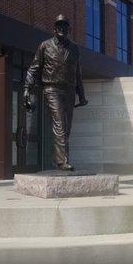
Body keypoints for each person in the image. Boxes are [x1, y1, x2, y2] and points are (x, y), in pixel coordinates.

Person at [23, 14, 88, 171]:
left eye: (65, 26)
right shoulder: (45, 46)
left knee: (67, 126)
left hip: (70, 90)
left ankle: (58, 158)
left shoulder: (74, 48)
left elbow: (77, 72)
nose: (62, 28)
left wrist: (82, 94)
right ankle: (62, 161)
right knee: (59, 123)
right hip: (52, 89)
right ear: (54, 29)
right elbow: (34, 68)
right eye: (59, 26)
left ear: (69, 29)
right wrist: (27, 89)